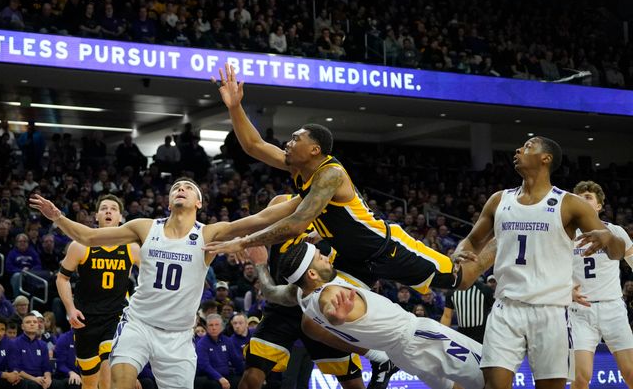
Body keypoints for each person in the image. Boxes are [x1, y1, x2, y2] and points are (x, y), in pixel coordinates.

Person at [208, 64, 493, 293]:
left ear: (315, 149)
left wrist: (243, 242)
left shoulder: (330, 174)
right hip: (352, 259)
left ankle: (505, 238)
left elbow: (295, 225)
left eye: (296, 139)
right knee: (327, 307)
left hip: (387, 249)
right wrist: (234, 107)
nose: (288, 143)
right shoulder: (297, 169)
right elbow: (253, 146)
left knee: (461, 278)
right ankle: (378, 362)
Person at [30, 177, 308, 389]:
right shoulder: (144, 227)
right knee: (121, 379)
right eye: (176, 187)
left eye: (188, 187)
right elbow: (88, 237)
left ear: (199, 203)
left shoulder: (209, 234)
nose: (181, 189)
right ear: (168, 201)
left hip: (178, 335)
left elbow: (261, 218)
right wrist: (58, 217)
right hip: (138, 323)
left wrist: (308, 192)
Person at [452, 137, 626, 389]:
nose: (518, 150)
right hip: (506, 307)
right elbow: (471, 241)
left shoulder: (570, 204)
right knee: (494, 385)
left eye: (528, 146)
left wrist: (610, 236)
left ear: (546, 158)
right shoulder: (499, 200)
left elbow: (617, 252)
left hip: (551, 311)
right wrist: (459, 252)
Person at [259, 243, 484, 389]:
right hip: (420, 337)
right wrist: (335, 316)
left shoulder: (300, 294)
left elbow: (271, 292)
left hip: (401, 355)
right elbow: (330, 306)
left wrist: (260, 264)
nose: (326, 256)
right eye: (320, 257)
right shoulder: (330, 294)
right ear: (312, 273)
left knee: (454, 387)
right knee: (492, 372)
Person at [239, 196, 393, 389]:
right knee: (250, 378)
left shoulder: (344, 219)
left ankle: (381, 358)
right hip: (283, 304)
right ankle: (381, 358)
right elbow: (254, 228)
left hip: (321, 306)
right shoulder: (282, 202)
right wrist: (243, 241)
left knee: (353, 384)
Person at [56, 195, 140, 389]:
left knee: (108, 365)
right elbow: (62, 278)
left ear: (120, 218)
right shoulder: (81, 245)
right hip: (86, 317)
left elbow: (151, 278)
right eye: (103, 208)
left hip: (116, 315)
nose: (108, 211)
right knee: (89, 382)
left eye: (113, 209)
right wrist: (70, 309)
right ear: (96, 216)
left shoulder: (131, 248)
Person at [570, 180, 633, 389]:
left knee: (630, 371)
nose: (582, 201)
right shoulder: (565, 235)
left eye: (588, 197)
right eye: (578, 198)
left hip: (612, 307)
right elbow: (549, 269)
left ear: (599, 206)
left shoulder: (616, 231)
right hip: (580, 311)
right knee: (581, 376)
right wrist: (565, 288)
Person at [194, 314, 244, 389]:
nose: (214, 328)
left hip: (226, 375)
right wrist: (219, 378)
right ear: (207, 328)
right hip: (209, 377)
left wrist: (247, 374)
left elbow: (236, 361)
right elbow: (204, 366)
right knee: (216, 385)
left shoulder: (227, 341)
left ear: (221, 327)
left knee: (242, 381)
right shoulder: (202, 343)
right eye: (211, 325)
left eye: (216, 325)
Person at [440, 279, 494, 343]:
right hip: (462, 336)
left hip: (482, 337)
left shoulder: (485, 289)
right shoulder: (452, 291)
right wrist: (442, 336)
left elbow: (496, 311)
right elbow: (447, 316)